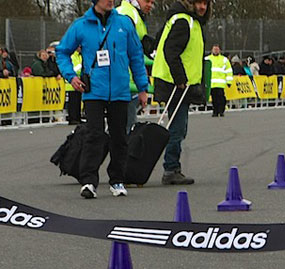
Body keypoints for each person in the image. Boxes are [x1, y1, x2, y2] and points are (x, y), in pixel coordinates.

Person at [56, 0, 149, 199]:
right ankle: (88, 181)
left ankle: (117, 180)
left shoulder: (124, 24)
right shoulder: (81, 25)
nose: (111, 1)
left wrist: (143, 88)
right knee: (93, 135)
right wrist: (71, 76)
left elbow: (136, 56)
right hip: (94, 91)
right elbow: (62, 52)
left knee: (119, 137)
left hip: (120, 90)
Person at [151, 0, 211, 185]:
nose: (202, 7)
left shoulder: (185, 20)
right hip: (175, 83)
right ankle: (171, 168)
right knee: (177, 128)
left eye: (205, 3)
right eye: (198, 3)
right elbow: (171, 51)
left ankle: (172, 167)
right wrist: (180, 78)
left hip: (178, 83)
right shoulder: (184, 22)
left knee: (179, 127)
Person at [117, 0, 156, 134]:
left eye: (152, 2)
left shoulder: (134, 14)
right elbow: (132, 54)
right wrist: (141, 87)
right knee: (127, 128)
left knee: (123, 127)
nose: (150, 5)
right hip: (126, 81)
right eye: (147, 1)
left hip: (127, 80)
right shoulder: (128, 14)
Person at [205, 44, 232, 117]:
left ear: (219, 50)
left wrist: (229, 81)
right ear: (212, 50)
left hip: (220, 84)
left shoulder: (224, 59)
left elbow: (229, 71)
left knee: (221, 98)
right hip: (212, 83)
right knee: (214, 99)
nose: (216, 51)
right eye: (214, 49)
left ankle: (221, 111)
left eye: (217, 49)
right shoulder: (207, 59)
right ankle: (215, 111)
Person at [63, 46, 83, 125]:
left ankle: (78, 117)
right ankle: (72, 118)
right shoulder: (73, 56)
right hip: (71, 83)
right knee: (73, 102)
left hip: (79, 82)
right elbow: (74, 68)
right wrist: (81, 68)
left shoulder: (80, 56)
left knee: (78, 102)